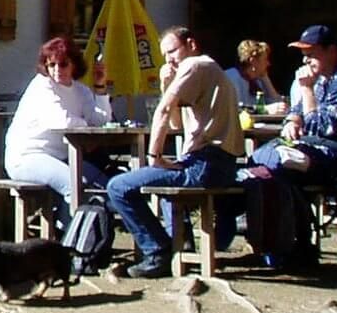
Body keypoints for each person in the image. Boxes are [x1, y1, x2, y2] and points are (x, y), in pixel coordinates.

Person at [106, 26, 243, 278]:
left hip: (206, 162)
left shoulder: (196, 65)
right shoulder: (210, 71)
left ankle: (157, 252)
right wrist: (166, 83)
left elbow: (164, 111)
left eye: (172, 51)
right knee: (167, 179)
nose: (169, 59)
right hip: (221, 164)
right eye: (164, 55)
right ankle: (183, 244)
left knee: (118, 187)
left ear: (191, 44)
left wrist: (155, 156)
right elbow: (177, 125)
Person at [3, 38, 111, 232]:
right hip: (27, 157)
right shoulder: (41, 86)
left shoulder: (81, 90)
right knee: (74, 185)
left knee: (104, 185)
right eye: (51, 64)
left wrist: (101, 88)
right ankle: (72, 243)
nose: (57, 70)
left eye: (63, 64)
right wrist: (87, 128)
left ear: (75, 64)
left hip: (60, 158)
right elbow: (61, 121)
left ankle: (77, 233)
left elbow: (101, 120)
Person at [255, 23, 337, 184]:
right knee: (260, 159)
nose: (305, 60)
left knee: (276, 165)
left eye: (311, 54)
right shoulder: (319, 79)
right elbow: (297, 109)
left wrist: (306, 89)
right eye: (304, 55)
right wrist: (292, 121)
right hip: (312, 149)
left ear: (332, 51)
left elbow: (321, 128)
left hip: (331, 155)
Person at [228, 39, 283, 109]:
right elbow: (234, 108)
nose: (268, 64)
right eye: (265, 59)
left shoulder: (258, 81)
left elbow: (278, 104)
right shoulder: (231, 77)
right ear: (253, 61)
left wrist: (265, 78)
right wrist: (265, 109)